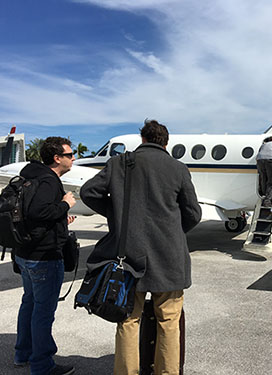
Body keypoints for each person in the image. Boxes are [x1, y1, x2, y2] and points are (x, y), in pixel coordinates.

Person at [80, 120, 202, 375]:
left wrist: (117, 217)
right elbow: (193, 213)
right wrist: (172, 232)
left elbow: (88, 192)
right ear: (165, 143)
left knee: (127, 320)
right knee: (168, 322)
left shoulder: (120, 163)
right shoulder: (178, 169)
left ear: (143, 139)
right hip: (169, 258)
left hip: (128, 256)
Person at [14, 137, 77, 375]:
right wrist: (65, 205)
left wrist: (61, 218)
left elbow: (35, 215)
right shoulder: (49, 181)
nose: (73, 158)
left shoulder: (31, 176)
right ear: (57, 158)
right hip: (44, 257)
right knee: (43, 312)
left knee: (29, 304)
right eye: (70, 154)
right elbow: (39, 211)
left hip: (25, 253)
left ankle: (22, 353)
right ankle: (42, 365)